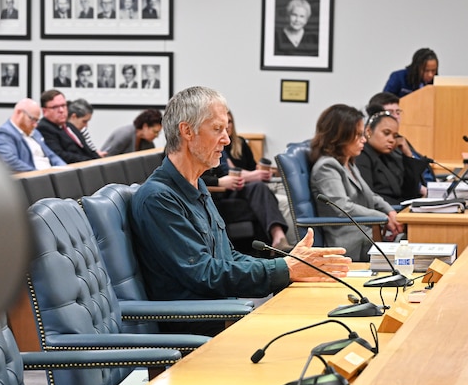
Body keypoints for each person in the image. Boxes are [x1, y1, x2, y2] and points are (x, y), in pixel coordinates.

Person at [130, 85, 351, 322]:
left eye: (226, 129)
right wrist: (284, 269)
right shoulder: (158, 198)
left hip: (227, 308)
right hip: (202, 325)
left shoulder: (197, 185)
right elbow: (204, 273)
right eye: (217, 129)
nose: (226, 140)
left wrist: (287, 264)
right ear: (187, 131)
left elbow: (229, 257)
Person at [309, 104, 400, 261]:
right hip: (349, 243)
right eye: (358, 135)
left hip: (366, 233)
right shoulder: (327, 167)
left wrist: (390, 211)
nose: (364, 140)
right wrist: (382, 217)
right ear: (340, 136)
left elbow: (370, 195)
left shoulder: (348, 163)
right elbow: (343, 208)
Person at [203, 109, 291, 251]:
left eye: (229, 122)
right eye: (222, 124)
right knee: (261, 198)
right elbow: (219, 174)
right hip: (222, 194)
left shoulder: (240, 143)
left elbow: (251, 168)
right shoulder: (212, 147)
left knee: (259, 192)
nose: (227, 127)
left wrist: (260, 172)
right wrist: (220, 182)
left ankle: (274, 243)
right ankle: (276, 242)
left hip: (244, 190)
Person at [355, 109, 428, 207]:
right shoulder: (362, 156)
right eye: (386, 133)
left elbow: (411, 192)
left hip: (400, 211)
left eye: (395, 136)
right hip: (384, 215)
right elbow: (368, 198)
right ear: (368, 131)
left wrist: (407, 154)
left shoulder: (391, 156)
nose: (391, 140)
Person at [0, 98, 66, 173]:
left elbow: (51, 155)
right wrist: (39, 174)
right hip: (34, 179)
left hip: (50, 176)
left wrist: (65, 169)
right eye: (32, 119)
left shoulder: (35, 133)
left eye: (37, 120)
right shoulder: (4, 133)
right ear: (19, 113)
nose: (35, 125)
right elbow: (10, 162)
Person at [37, 89, 99, 163]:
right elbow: (60, 155)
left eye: (63, 105)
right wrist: (89, 161)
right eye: (55, 107)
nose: (61, 110)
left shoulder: (69, 125)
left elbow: (86, 149)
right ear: (44, 111)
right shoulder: (44, 128)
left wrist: (99, 160)